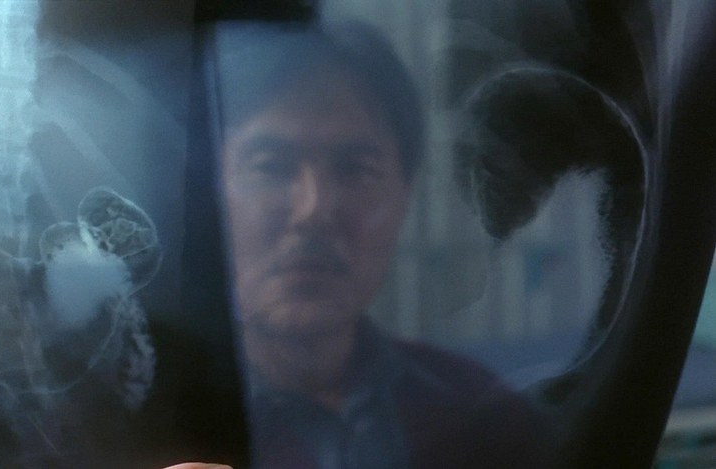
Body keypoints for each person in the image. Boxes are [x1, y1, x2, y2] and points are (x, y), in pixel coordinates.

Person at [206, 22, 556, 468]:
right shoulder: (151, 418)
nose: (314, 209)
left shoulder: (484, 416)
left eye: (354, 169)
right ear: (210, 194)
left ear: (404, 195)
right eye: (270, 166)